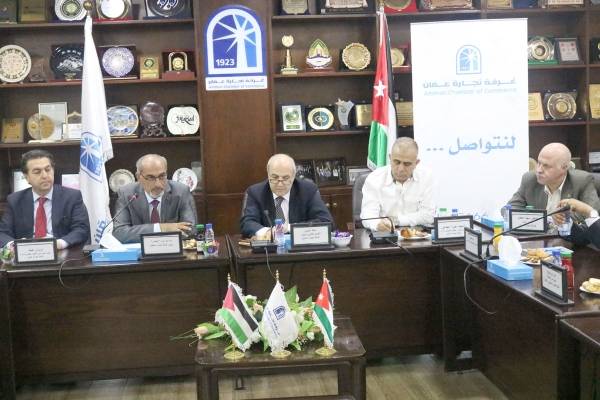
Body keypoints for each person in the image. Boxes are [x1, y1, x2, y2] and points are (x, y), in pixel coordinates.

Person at [0, 150, 90, 249]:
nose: (45, 176)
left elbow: (81, 229)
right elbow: (3, 233)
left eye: (48, 170)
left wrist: (60, 243)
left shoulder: (72, 197)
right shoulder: (15, 200)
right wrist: (15, 246)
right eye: (37, 172)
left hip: (61, 252)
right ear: (26, 177)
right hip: (27, 253)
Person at [240, 153, 333, 238]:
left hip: (300, 247)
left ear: (293, 176)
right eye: (275, 177)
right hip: (269, 248)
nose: (280, 184)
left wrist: (289, 228)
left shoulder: (308, 190)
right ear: (268, 174)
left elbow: (326, 222)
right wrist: (268, 232)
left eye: (285, 178)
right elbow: (247, 223)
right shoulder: (256, 192)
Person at [112, 154, 197, 243]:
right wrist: (161, 228)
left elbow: (191, 229)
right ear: (138, 177)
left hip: (171, 249)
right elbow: (119, 233)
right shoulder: (126, 194)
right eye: (150, 177)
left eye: (162, 176)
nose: (157, 184)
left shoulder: (181, 191)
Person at [507, 143, 600, 223]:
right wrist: (547, 220)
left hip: (570, 236)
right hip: (537, 237)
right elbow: (510, 209)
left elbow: (594, 214)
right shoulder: (530, 179)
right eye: (539, 163)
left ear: (564, 167)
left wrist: (563, 218)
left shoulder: (582, 181)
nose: (539, 170)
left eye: (546, 166)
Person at [360, 137, 435, 232]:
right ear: (390, 158)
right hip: (384, 235)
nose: (401, 169)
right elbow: (367, 216)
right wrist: (377, 224)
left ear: (416, 163)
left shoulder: (426, 177)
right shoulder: (374, 179)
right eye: (397, 162)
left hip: (417, 235)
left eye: (407, 164)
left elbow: (428, 215)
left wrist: (396, 221)